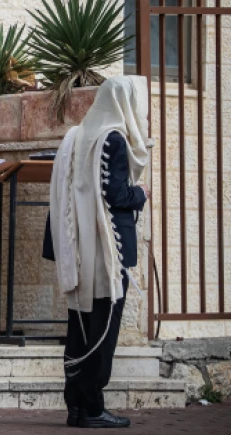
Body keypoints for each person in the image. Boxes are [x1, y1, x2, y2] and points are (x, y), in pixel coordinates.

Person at [44, 75, 150, 429]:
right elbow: (117, 195)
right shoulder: (114, 140)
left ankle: (75, 405)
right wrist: (142, 194)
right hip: (107, 253)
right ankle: (92, 407)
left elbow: (60, 195)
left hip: (78, 252)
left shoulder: (74, 136)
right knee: (103, 330)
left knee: (80, 328)